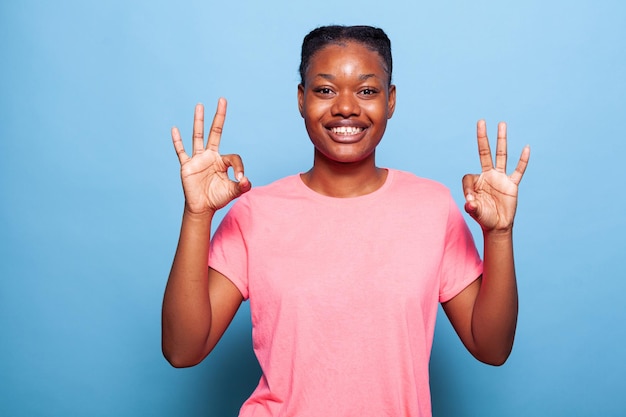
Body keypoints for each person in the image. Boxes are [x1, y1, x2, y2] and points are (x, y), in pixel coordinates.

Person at [162, 25, 530, 417]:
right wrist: (197, 214)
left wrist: (500, 235)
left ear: (390, 101)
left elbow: (492, 348)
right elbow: (183, 350)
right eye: (325, 90)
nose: (346, 107)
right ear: (301, 99)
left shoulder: (431, 208)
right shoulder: (256, 213)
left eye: (367, 90)